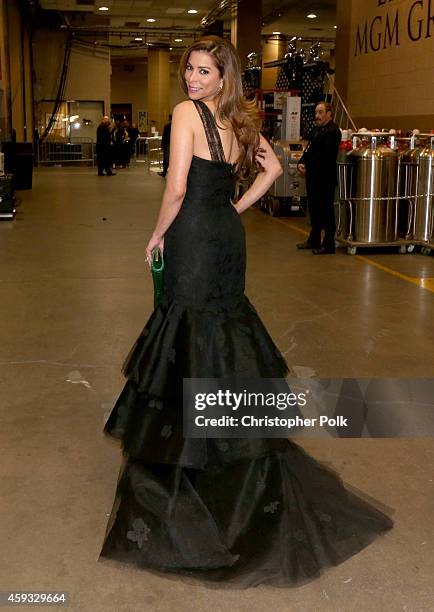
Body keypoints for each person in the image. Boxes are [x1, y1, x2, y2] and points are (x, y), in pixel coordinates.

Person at [99, 36, 392, 587]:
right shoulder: (239, 120)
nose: (191, 80)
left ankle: (193, 460)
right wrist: (232, 209)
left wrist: (156, 236)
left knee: (189, 335)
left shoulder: (187, 114)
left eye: (204, 72)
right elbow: (274, 170)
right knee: (220, 335)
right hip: (226, 238)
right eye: (189, 70)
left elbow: (178, 186)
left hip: (194, 237)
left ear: (222, 76)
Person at [297, 102, 341, 254]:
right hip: (313, 178)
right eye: (316, 113)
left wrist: (311, 165)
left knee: (326, 211)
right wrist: (302, 161)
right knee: (314, 209)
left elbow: (326, 156)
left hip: (325, 179)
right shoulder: (316, 130)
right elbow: (309, 149)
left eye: (321, 112)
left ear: (329, 114)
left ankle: (328, 244)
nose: (317, 116)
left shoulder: (333, 131)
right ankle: (314, 239)